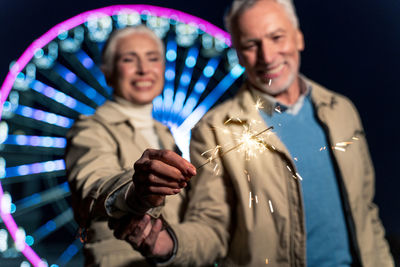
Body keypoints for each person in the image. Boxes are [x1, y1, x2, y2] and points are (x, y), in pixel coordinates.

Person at [113, 0, 395, 266]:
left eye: (277, 37)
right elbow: (211, 227)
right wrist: (168, 244)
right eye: (251, 44)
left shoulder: (342, 111)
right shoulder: (216, 131)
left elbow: (365, 212)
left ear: (298, 37)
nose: (267, 56)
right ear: (237, 51)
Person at [65, 25, 196, 266]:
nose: (144, 69)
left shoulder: (165, 134)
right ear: (108, 72)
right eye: (129, 59)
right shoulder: (89, 130)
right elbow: (93, 186)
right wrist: (138, 192)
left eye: (153, 58)